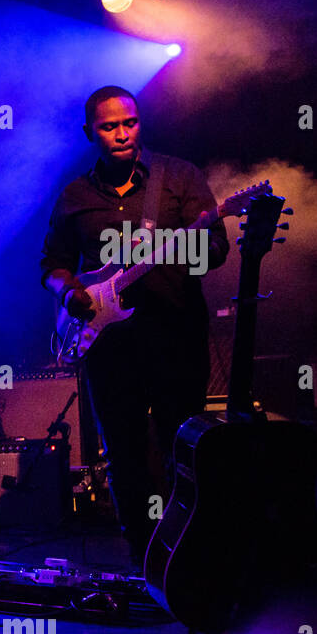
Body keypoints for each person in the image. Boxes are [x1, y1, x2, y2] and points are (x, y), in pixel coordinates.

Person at [40, 86, 229, 567]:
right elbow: (52, 263)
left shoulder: (178, 177)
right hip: (110, 345)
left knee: (183, 447)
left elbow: (214, 253)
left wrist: (199, 237)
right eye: (109, 126)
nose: (122, 133)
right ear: (89, 133)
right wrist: (69, 292)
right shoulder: (75, 196)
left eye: (130, 122)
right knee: (123, 453)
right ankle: (144, 558)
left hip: (175, 337)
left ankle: (193, 557)